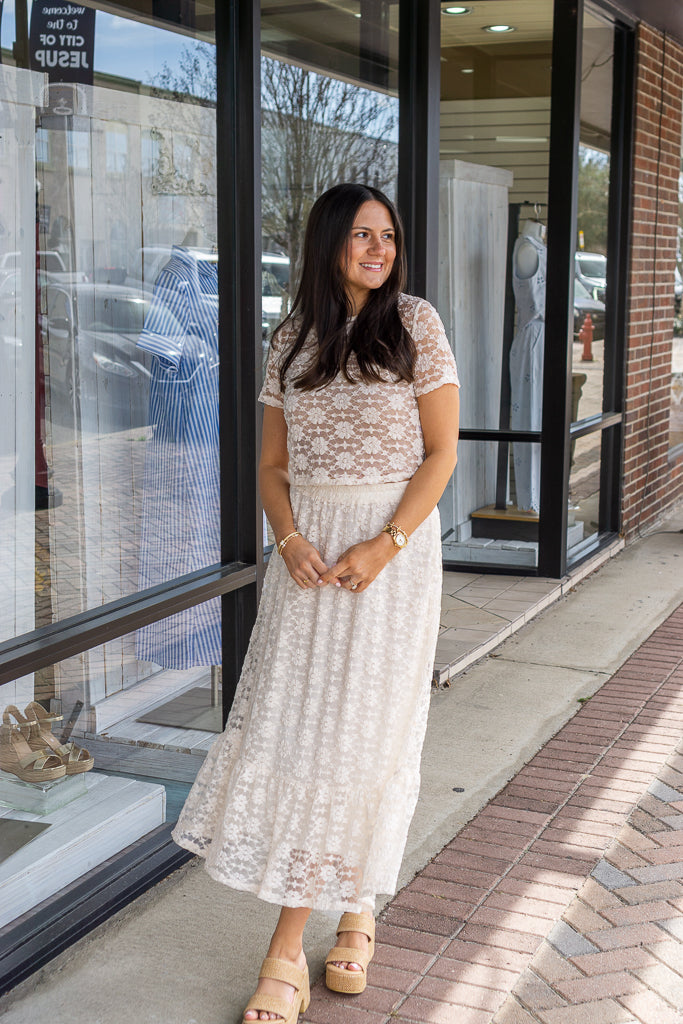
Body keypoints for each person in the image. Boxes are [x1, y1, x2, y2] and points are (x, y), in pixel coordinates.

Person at [172, 182, 460, 1024]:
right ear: (328, 241)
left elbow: (440, 454)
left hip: (389, 557)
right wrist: (290, 538)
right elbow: (271, 465)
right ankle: (355, 908)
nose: (379, 248)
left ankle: (288, 949)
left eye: (387, 236)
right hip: (306, 562)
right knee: (300, 735)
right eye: (362, 234)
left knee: (364, 735)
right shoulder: (291, 336)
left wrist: (384, 543)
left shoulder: (415, 324)